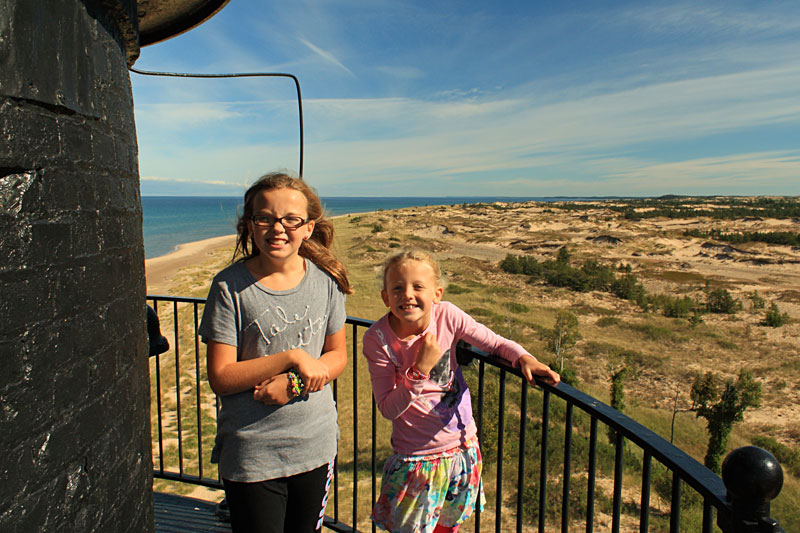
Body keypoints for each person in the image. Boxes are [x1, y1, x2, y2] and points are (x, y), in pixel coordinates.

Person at [362, 248, 560, 533]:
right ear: (385, 297)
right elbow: (387, 407)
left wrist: (524, 358)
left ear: (436, 294)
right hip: (417, 458)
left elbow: (495, 343)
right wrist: (419, 371)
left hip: (463, 447)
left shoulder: (448, 316)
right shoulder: (378, 340)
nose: (407, 294)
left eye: (418, 286)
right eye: (397, 287)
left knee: (448, 529)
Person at [198, 172, 352, 533]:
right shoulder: (229, 288)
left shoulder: (325, 283)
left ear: (309, 227)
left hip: (314, 444)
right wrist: (291, 357)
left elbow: (337, 356)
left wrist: (295, 383)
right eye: (264, 218)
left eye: (291, 219)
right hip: (252, 452)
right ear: (249, 225)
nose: (277, 228)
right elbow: (221, 377)